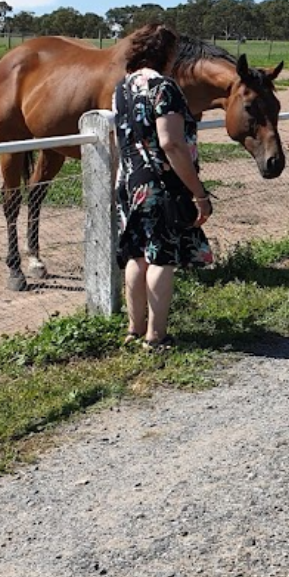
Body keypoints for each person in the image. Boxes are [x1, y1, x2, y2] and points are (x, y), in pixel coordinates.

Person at [112, 22, 214, 350]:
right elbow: (170, 143)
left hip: (128, 180)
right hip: (160, 184)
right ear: (166, 53)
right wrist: (198, 192)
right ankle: (155, 336)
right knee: (161, 257)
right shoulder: (164, 87)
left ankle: (134, 328)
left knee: (136, 255)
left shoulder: (121, 88)